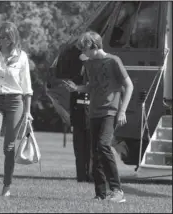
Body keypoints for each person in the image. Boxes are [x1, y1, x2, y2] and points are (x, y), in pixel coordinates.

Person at [62, 31, 133, 203]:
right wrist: (76, 89)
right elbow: (92, 86)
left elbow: (129, 85)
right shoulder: (89, 64)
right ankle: (100, 194)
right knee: (95, 153)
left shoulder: (113, 61)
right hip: (94, 112)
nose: (83, 53)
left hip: (111, 111)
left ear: (93, 46)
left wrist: (122, 111)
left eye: (85, 49)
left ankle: (117, 191)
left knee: (103, 146)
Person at [0, 22, 33, 197]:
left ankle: (7, 185)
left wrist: (28, 112)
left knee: (9, 147)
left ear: (13, 37)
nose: (3, 39)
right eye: (1, 36)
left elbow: (27, 88)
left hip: (16, 102)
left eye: (7, 36)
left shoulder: (22, 57)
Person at [70, 54, 93, 182]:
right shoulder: (76, 79)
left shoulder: (95, 77)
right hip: (79, 117)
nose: (85, 65)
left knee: (91, 150)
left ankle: (91, 174)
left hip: (91, 116)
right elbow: (72, 101)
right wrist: (72, 122)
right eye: (83, 63)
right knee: (79, 149)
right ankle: (81, 176)